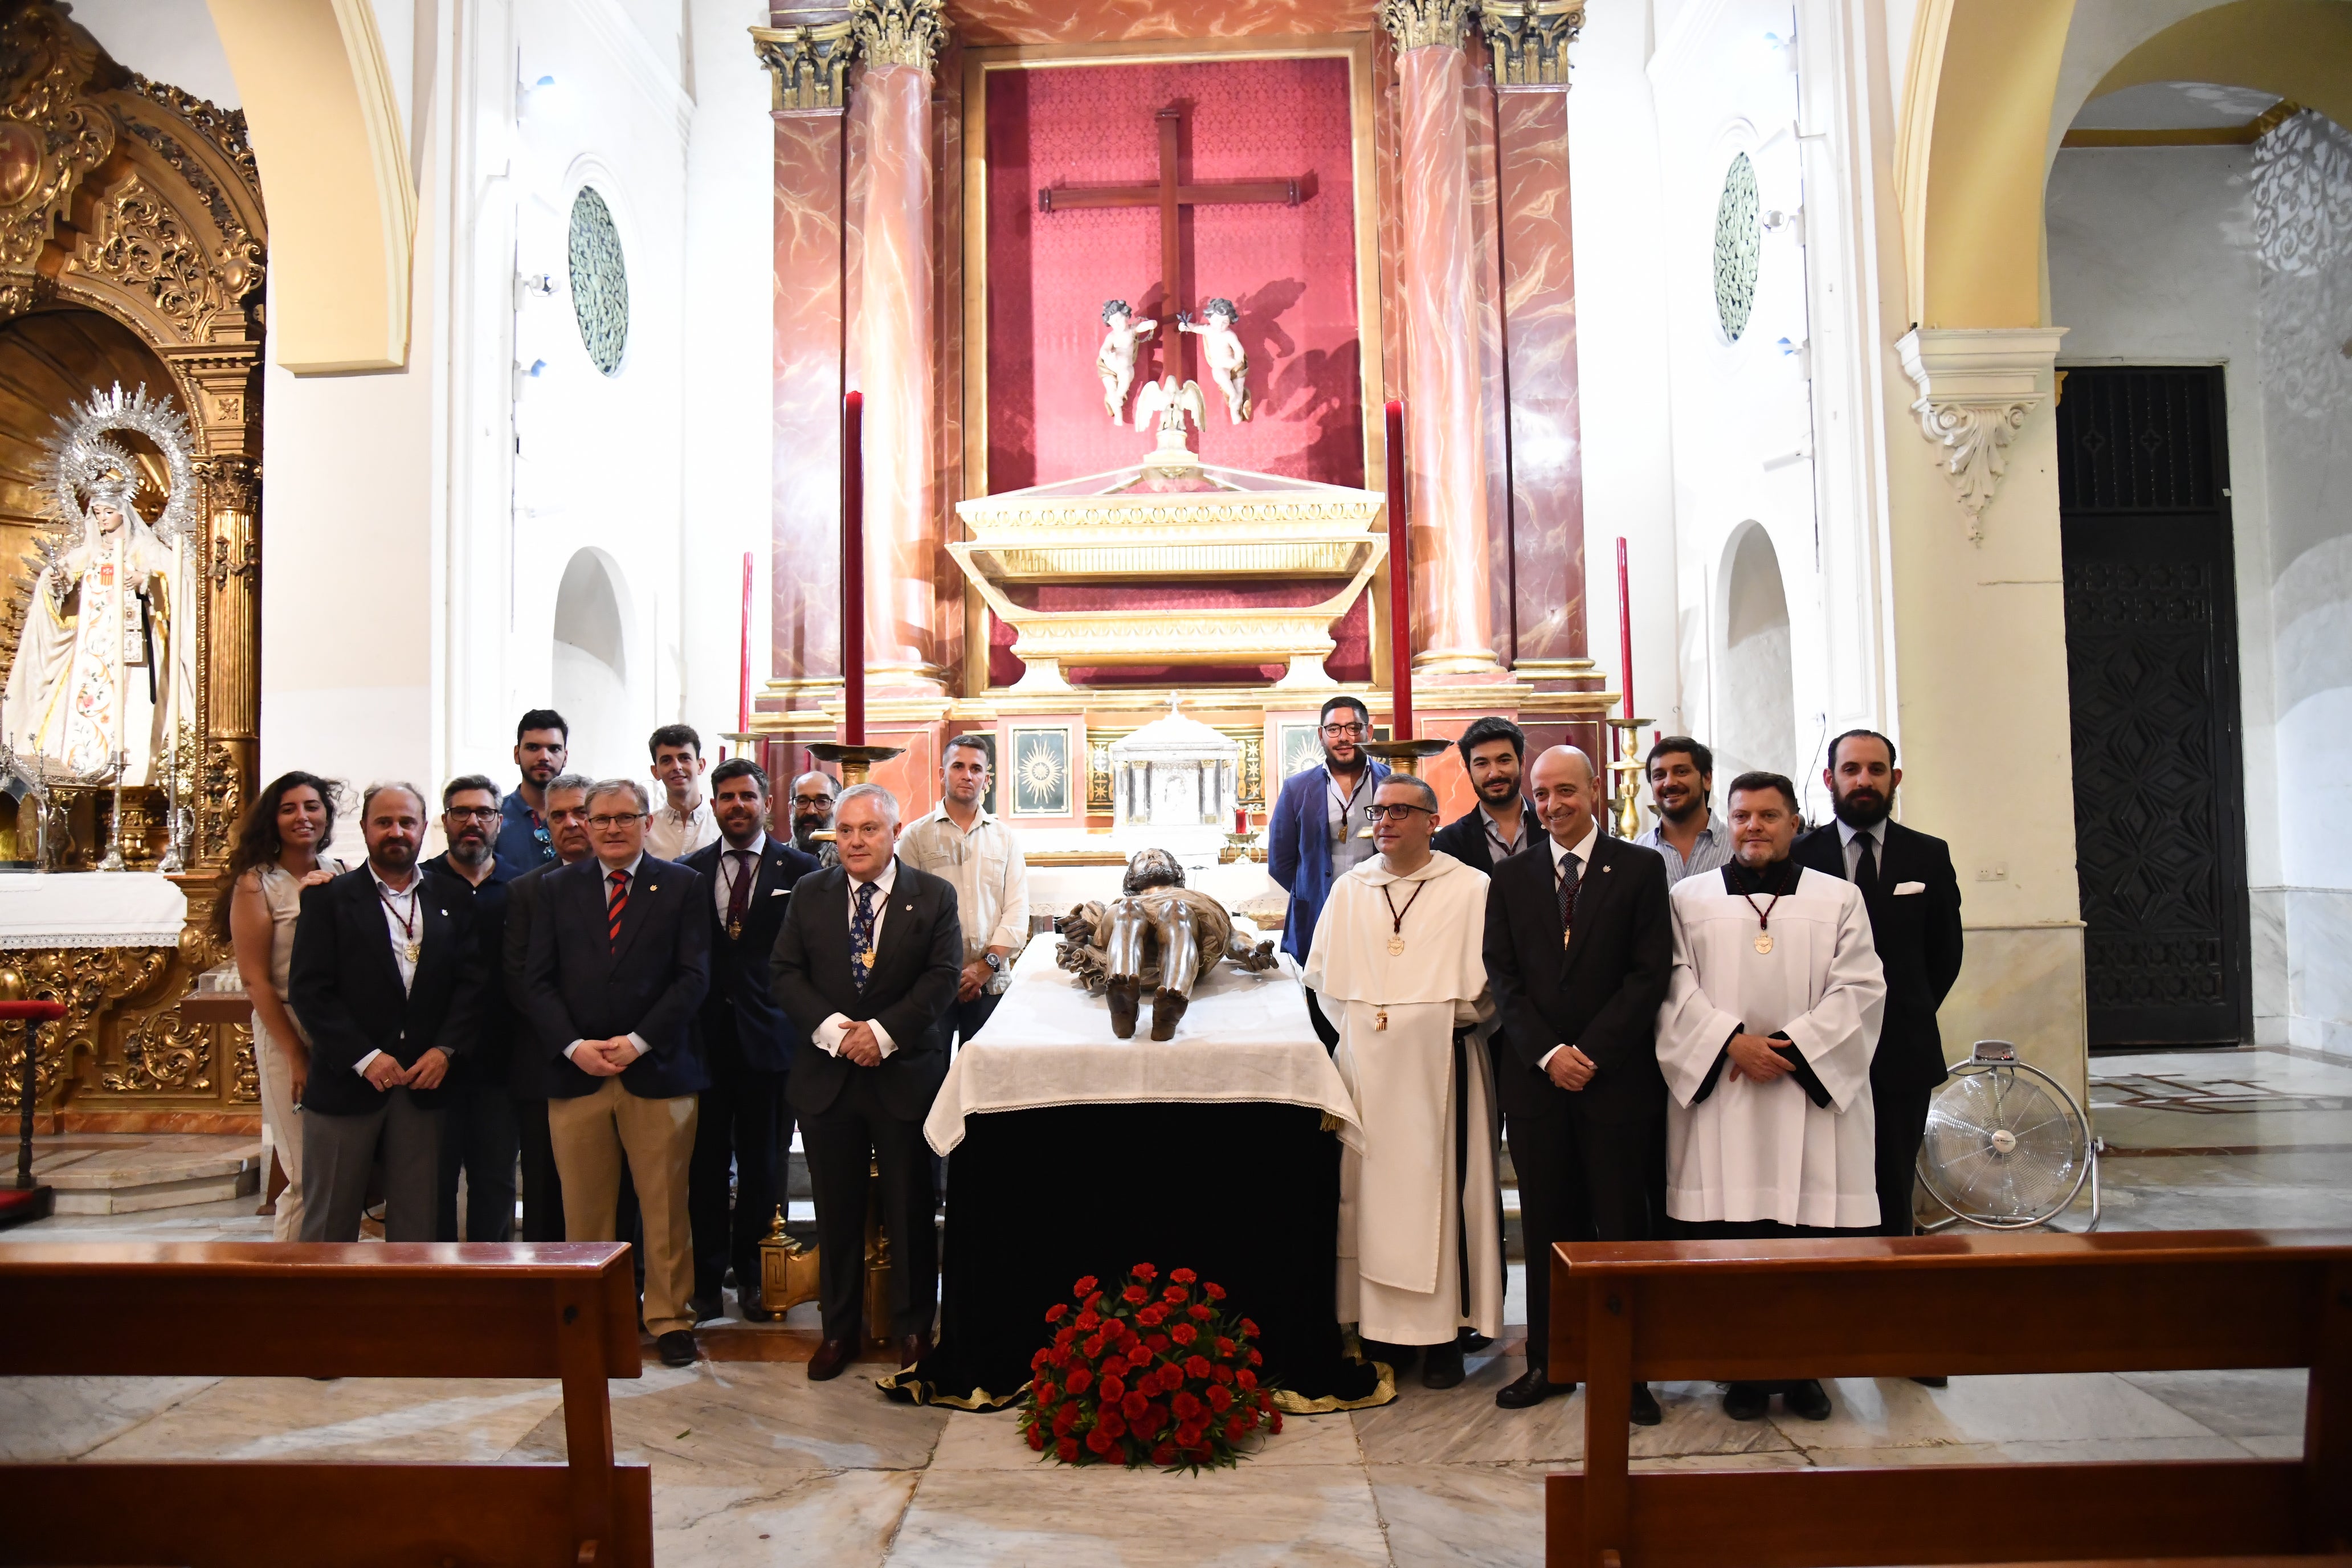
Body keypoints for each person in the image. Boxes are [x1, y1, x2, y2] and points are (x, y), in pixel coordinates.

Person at [1657, 770, 1886, 1423]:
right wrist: (1730, 1043)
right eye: (1742, 816)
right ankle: (1743, 1372)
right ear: (1726, 822)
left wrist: (1787, 1047)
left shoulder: (1838, 898)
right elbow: (1672, 987)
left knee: (1808, 1247)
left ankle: (1805, 1368)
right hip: (1725, 1100)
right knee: (1735, 1247)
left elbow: (1862, 990)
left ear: (1795, 822)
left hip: (1806, 1102)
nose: (1753, 827)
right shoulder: (1689, 899)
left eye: (1768, 815)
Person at [1482, 746, 1675, 1419]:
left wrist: (1588, 1051)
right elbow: (1503, 980)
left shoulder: (1642, 869)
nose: (1553, 804)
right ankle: (1551, 1361)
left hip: (1615, 1081)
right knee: (1547, 1229)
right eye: (1542, 794)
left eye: (1566, 791)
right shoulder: (1511, 878)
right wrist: (1547, 1054)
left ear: (1594, 792)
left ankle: (1630, 1373)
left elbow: (1650, 974)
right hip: (1537, 1086)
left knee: (1622, 1224)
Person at [1305, 775, 1500, 1390]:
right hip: (1368, 1070)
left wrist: (1424, 1021)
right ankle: (1376, 1328)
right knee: (1365, 1198)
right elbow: (1328, 986)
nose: (1383, 821)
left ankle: (1445, 1335)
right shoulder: (1350, 889)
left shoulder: (1471, 888)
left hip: (1442, 1065)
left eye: (1398, 811)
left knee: (1446, 1194)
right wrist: (1375, 1029)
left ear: (1431, 820)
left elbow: (1491, 989)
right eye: (1378, 811)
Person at [770, 782, 962, 1383]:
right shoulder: (809, 893)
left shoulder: (932, 896)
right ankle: (838, 1329)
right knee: (837, 1209)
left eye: (869, 830)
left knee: (910, 1206)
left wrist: (879, 1035)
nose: (855, 841)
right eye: (846, 831)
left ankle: (912, 1328)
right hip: (828, 1077)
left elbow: (941, 978)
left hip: (903, 1074)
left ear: (894, 832)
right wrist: (836, 1032)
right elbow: (784, 972)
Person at [524, 778, 712, 1367]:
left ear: (645, 820)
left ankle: (670, 1317)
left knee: (664, 1205)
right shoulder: (556, 890)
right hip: (578, 1073)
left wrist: (637, 1041)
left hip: (658, 1069)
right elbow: (535, 981)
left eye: (622, 818)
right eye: (597, 818)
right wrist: (574, 1045)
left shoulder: (682, 885)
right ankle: (598, 1316)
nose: (608, 828)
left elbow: (694, 977)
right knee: (585, 1209)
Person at [288, 783, 481, 1243]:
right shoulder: (329, 898)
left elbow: (473, 985)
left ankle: (413, 1315)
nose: (396, 832)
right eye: (384, 822)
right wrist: (365, 1056)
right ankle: (327, 1314)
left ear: (423, 828)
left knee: (421, 1222)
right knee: (328, 1221)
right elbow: (310, 990)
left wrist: (445, 1050)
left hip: (424, 1080)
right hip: (347, 1081)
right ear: (364, 829)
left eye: (407, 822)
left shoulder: (453, 897)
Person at [1793, 730, 1963, 1242]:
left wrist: (1901, 1012)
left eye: (1875, 769)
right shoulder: (1799, 858)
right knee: (1822, 1188)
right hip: (1818, 1051)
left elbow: (1945, 955)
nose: (1863, 781)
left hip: (1901, 1052)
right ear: (1830, 779)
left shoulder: (1929, 856)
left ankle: (1895, 1299)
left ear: (1895, 779)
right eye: (1851, 770)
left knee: (1892, 1188)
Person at [681, 758, 820, 1322]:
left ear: (766, 802)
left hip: (772, 1041)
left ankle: (763, 1277)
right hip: (705, 1044)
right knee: (705, 1169)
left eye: (746, 796)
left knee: (765, 1168)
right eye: (726, 797)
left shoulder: (804, 869)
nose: (736, 806)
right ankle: (707, 1281)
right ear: (713, 805)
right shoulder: (687, 873)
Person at [216, 771, 345, 1241]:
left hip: (335, 1028)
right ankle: (290, 1277)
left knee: (337, 1170)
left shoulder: (340, 870)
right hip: (287, 1025)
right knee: (304, 1171)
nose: (302, 817)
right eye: (289, 808)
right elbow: (255, 979)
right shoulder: (257, 884)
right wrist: (295, 1053)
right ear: (273, 819)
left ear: (326, 814)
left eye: (312, 806)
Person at [423, 774, 520, 1242]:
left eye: (484, 813)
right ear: (445, 821)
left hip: (501, 1061)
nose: (472, 823)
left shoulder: (521, 886)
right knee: (434, 1182)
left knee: (495, 1179)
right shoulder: (421, 883)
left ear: (499, 822)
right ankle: (440, 1285)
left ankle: (493, 1279)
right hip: (433, 1059)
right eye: (461, 813)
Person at [501, 772, 594, 1242]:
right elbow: (520, 980)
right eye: (559, 815)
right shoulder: (525, 891)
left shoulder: (641, 882)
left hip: (619, 1059)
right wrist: (572, 1041)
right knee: (544, 1188)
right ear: (544, 823)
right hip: (548, 1061)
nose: (572, 823)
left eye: (581, 812)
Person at [1269, 695, 1390, 1047]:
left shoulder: (1391, 781)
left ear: (1368, 731)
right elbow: (1280, 858)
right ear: (1321, 735)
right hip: (1316, 915)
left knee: (1374, 1003)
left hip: (1379, 912)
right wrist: (1310, 890)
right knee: (1320, 1008)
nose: (1344, 737)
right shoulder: (1297, 788)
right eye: (1334, 729)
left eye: (1354, 728)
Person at [897, 734, 1030, 1046]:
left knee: (987, 1080)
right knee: (930, 1078)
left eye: (976, 768)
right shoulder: (915, 837)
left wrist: (985, 967)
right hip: (930, 982)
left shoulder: (1005, 839)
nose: (967, 775)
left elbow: (1017, 909)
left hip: (991, 981)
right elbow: (905, 911)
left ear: (987, 779)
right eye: (958, 766)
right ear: (943, 773)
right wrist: (946, 972)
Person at [1433, 716, 1533, 873]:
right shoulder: (1449, 843)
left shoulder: (1553, 826)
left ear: (1522, 764)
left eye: (1504, 760)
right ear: (1469, 772)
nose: (1494, 773)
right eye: (1482, 764)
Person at [1634, 736, 1733, 885]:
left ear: (1707, 779)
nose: (1669, 783)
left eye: (1681, 772)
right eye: (1659, 775)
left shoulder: (1737, 848)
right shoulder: (1634, 854)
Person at [495, 709, 570, 879]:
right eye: (533, 748)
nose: (544, 757)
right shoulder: (493, 817)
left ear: (565, 757)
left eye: (554, 749)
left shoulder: (587, 818)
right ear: (517, 754)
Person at [646, 724, 719, 861]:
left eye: (685, 758)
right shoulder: (646, 831)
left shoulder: (721, 825)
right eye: (666, 761)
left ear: (701, 766)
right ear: (656, 772)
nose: (677, 767)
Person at [790, 769, 840, 868]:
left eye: (822, 801)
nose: (811, 811)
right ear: (790, 809)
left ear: (837, 809)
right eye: (803, 801)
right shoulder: (770, 860)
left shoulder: (849, 865)